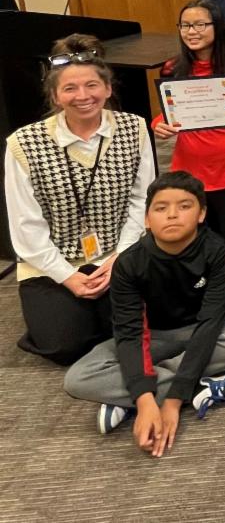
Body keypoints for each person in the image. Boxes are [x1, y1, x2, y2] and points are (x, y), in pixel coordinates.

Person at [63, 172, 225, 448]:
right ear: (146, 219)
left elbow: (210, 321)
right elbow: (130, 333)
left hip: (203, 332)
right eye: (161, 208)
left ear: (202, 213)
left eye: (184, 206)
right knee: (78, 377)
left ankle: (127, 396)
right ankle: (204, 387)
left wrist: (171, 401)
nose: (172, 215)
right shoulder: (129, 263)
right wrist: (146, 401)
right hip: (153, 336)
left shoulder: (219, 251)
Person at [5, 34, 154, 365]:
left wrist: (119, 258)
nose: (83, 96)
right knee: (64, 346)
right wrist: (67, 276)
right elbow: (25, 226)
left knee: (146, 324)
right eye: (70, 88)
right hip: (51, 263)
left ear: (108, 88)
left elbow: (141, 202)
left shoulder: (134, 128)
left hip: (118, 254)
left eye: (92, 85)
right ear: (55, 95)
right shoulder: (23, 143)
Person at [152, 0, 225, 252]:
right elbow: (167, 111)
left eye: (200, 24)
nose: (192, 32)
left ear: (217, 27)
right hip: (188, 168)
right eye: (186, 25)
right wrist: (159, 123)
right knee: (189, 239)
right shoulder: (172, 68)